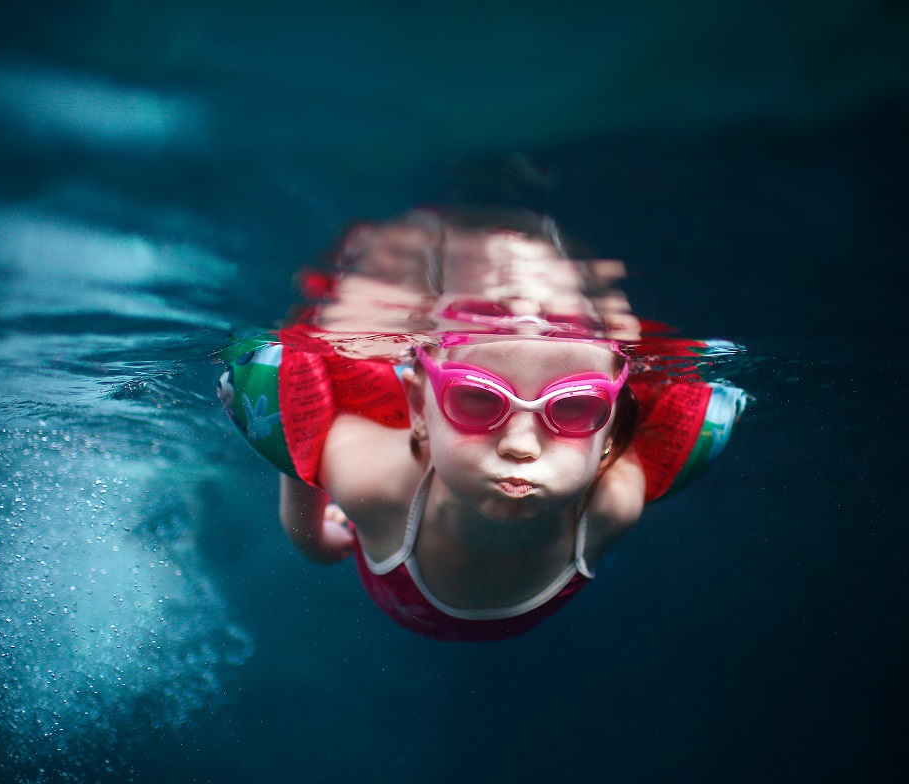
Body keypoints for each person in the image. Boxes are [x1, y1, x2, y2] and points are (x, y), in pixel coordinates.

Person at [217, 207, 745, 641]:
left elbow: (298, 457)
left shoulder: (613, 503)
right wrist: (313, 541)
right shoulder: (377, 488)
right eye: (476, 400)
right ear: (419, 410)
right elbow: (300, 456)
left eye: (574, 408)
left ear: (608, 433)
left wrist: (312, 536)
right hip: (399, 579)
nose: (520, 446)